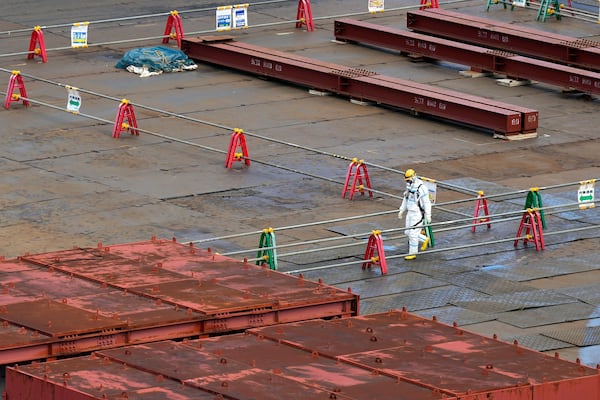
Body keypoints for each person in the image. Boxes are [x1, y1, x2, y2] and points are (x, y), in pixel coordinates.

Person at [397, 169, 432, 260]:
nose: (408, 182)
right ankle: (424, 239)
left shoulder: (421, 188)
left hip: (417, 214)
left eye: (409, 180)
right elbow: (405, 199)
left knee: (413, 234)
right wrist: (402, 210)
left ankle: (413, 253)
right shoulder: (409, 187)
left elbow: (427, 202)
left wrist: (428, 215)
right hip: (410, 212)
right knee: (407, 232)